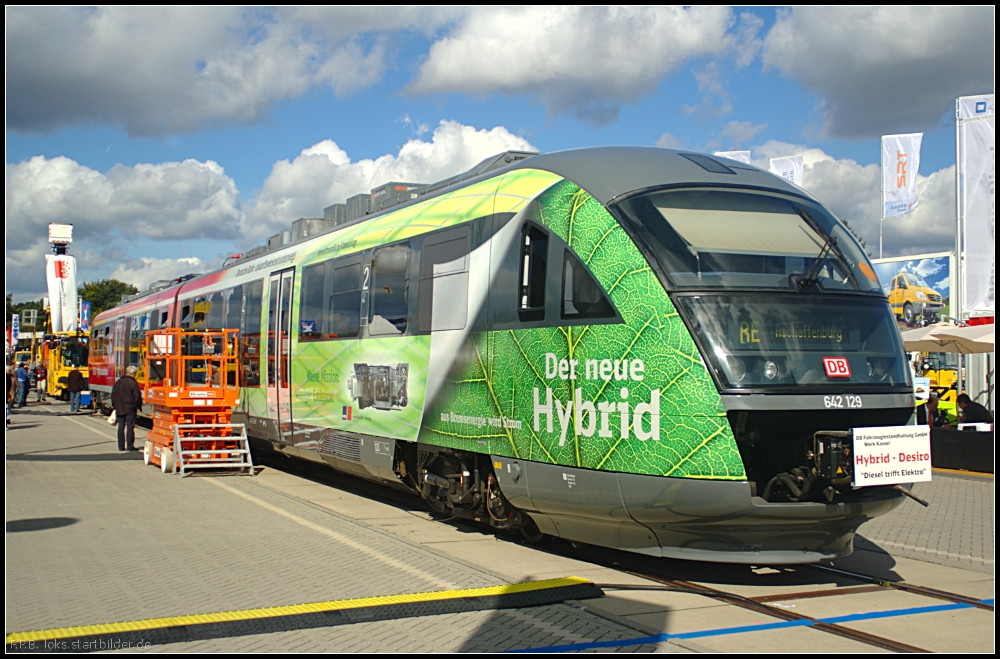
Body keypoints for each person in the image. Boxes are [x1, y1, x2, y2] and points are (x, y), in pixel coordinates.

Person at [111, 365, 143, 451]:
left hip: (120, 408)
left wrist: (115, 406)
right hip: (130, 408)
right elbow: (137, 396)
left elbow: (113, 395)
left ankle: (121, 446)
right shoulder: (133, 383)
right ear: (133, 374)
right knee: (130, 427)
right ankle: (130, 446)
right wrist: (137, 405)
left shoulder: (118, 382)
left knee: (121, 426)